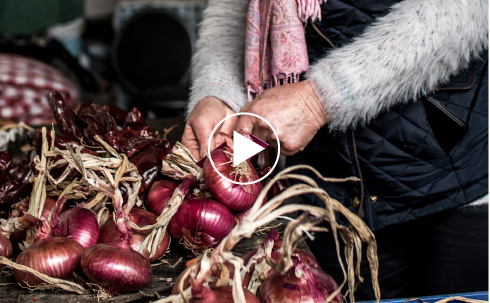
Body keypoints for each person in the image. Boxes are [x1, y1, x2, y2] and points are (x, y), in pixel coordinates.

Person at [182, 0, 488, 300]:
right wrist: (218, 92)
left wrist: (319, 100)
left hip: (451, 173)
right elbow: (235, 7)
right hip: (326, 187)